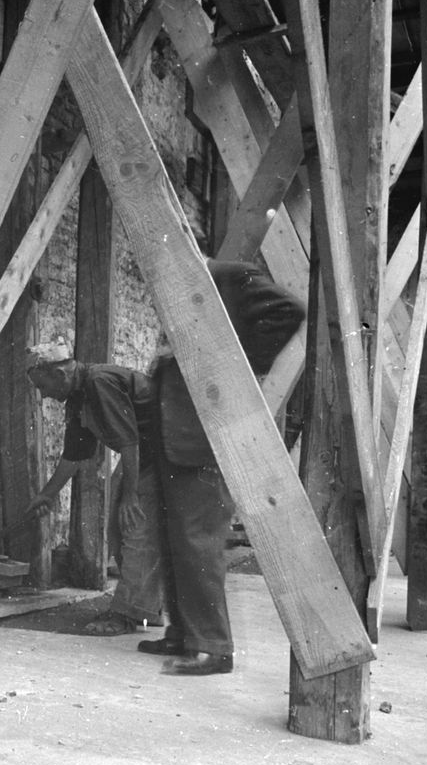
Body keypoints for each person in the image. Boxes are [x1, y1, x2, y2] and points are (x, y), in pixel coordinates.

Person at [139, 258, 305, 675]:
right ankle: (183, 632)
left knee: (198, 540)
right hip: (176, 436)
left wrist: (235, 368)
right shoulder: (182, 289)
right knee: (174, 538)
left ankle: (213, 647)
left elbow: (288, 311)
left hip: (204, 435)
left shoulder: (227, 275)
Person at [19, 344, 165, 636]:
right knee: (116, 528)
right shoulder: (77, 397)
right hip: (143, 457)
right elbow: (75, 453)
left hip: (164, 456)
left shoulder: (98, 383)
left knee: (135, 529)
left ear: (60, 373)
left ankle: (127, 613)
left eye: (42, 385)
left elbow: (129, 442)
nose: (43, 394)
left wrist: (130, 495)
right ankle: (145, 609)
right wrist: (47, 493)